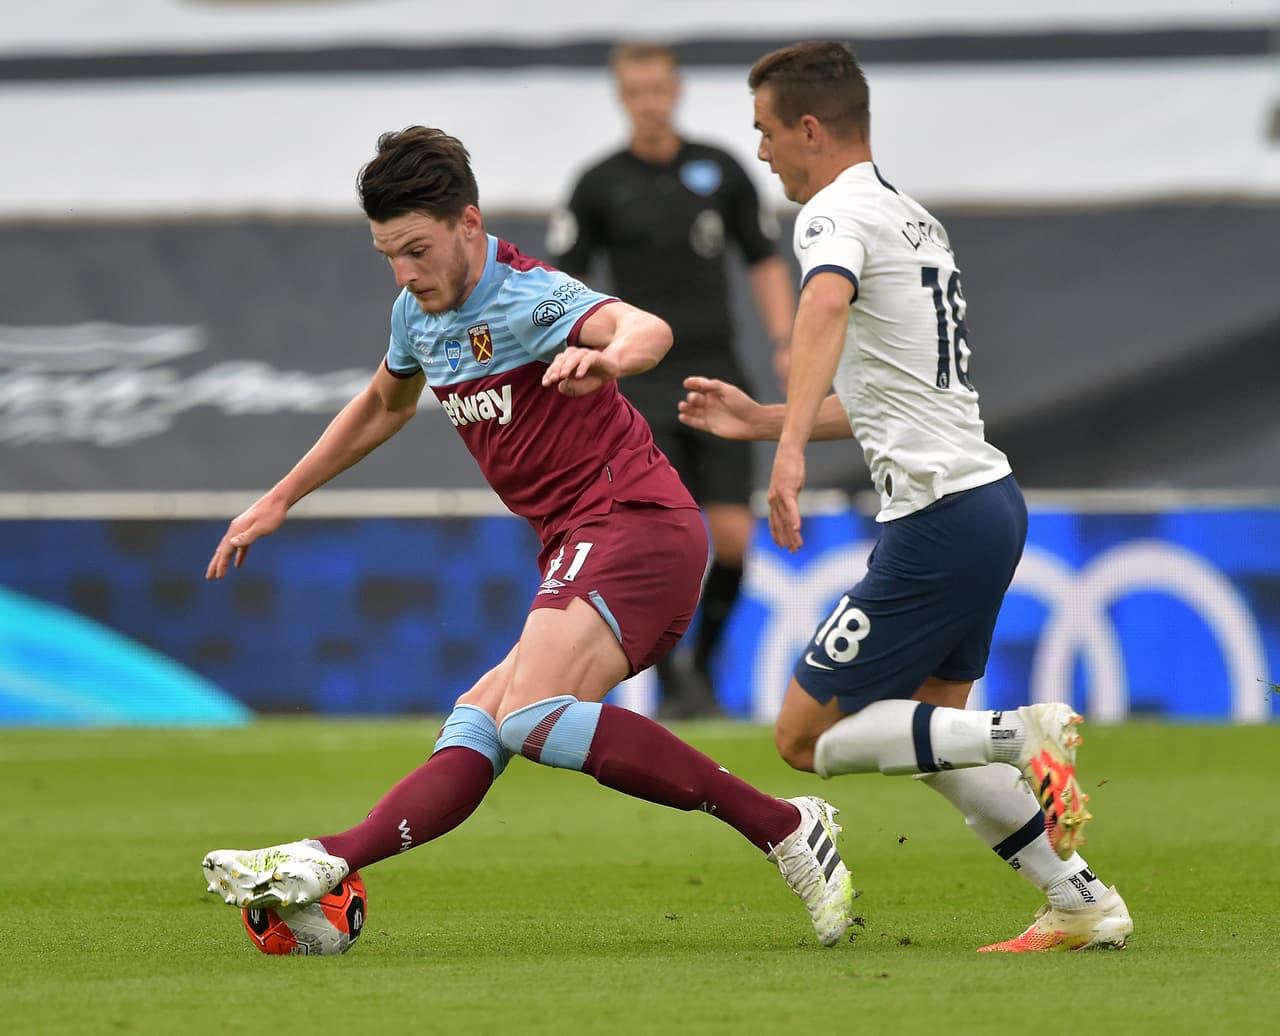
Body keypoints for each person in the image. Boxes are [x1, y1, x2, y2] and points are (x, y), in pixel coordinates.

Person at [199, 125, 856, 947]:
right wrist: (280, 498)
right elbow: (384, 405)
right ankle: (327, 858)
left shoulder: (524, 294)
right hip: (580, 541)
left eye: (417, 249)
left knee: (533, 715)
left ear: (468, 225)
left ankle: (785, 827)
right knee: (480, 720)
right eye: (388, 256)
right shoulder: (417, 314)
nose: (405, 273)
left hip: (635, 523)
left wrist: (609, 358)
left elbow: (645, 328)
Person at [677, 41, 1133, 953]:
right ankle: (1083, 901)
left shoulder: (832, 216)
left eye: (766, 131)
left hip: (936, 519)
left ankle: (1023, 732)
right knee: (931, 737)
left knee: (805, 737)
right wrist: (771, 420)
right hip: (985, 504)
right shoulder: (913, 218)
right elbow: (895, 398)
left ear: (810, 129)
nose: (761, 151)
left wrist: (791, 453)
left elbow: (823, 307)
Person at [546, 42, 795, 719]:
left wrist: (785, 340)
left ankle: (700, 668)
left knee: (734, 537)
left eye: (659, 88)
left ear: (676, 89)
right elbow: (562, 283)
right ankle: (663, 675)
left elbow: (763, 259)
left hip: (720, 370)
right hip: (642, 379)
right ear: (622, 95)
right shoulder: (599, 183)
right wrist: (575, 352)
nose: (650, 101)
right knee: (661, 533)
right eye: (637, 91)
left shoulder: (720, 169)